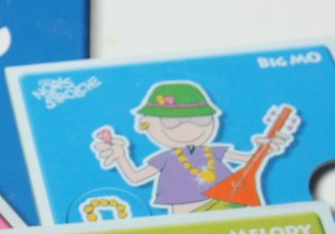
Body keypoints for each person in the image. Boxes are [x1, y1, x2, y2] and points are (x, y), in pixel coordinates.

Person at [90, 81, 292, 213]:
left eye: (202, 120)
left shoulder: (214, 152)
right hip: (187, 216)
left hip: (227, 206)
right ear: (146, 124)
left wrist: (266, 149)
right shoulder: (166, 158)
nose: (190, 128)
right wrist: (121, 156)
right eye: (172, 123)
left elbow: (250, 160)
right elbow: (136, 177)